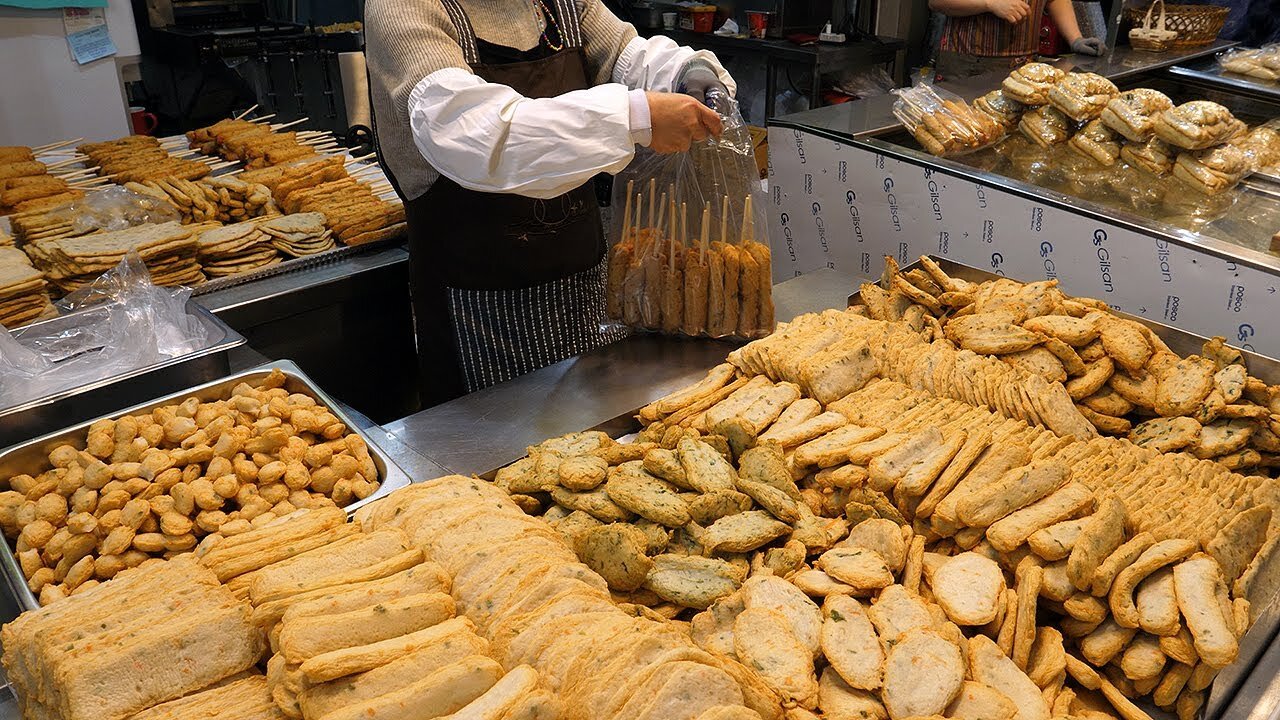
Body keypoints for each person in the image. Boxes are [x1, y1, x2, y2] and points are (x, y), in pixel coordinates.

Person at [365, 0, 734, 405]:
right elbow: (478, 134)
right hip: (477, 312)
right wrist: (634, 117)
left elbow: (626, 55)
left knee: (594, 440)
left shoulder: (560, 4)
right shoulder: (403, 7)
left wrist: (687, 71)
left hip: (583, 289)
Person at [930, 0, 1106, 80]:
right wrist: (990, 3)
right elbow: (936, 2)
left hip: (1025, 67)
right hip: (969, 67)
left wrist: (1075, 39)